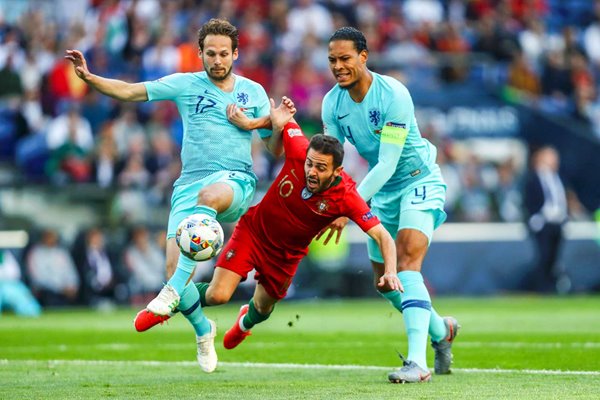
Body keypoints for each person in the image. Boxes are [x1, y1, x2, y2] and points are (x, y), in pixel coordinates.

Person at [66, 18, 293, 373]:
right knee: (175, 266)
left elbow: (275, 150)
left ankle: (169, 293)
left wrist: (277, 125)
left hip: (235, 182)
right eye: (210, 53)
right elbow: (130, 91)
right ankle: (203, 329)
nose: (217, 60)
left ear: (236, 54)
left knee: (208, 199)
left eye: (224, 54)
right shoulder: (186, 85)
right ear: (200, 54)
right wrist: (91, 78)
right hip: (188, 185)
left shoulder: (253, 92)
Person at [135, 97, 401, 368]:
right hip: (254, 232)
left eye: (321, 168)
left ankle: (244, 322)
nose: (311, 171)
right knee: (217, 295)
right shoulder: (299, 149)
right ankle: (174, 298)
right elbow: (281, 120)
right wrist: (258, 120)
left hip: (286, 255)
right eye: (310, 164)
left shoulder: (347, 196)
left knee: (262, 310)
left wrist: (390, 271)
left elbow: (383, 236)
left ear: (337, 171)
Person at [320, 27, 459, 383]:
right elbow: (331, 160)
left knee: (408, 259)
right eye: (333, 59)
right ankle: (441, 331)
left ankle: (417, 363)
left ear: (363, 57)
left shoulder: (393, 94)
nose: (338, 66)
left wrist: (347, 206)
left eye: (345, 58)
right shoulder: (331, 104)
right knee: (385, 282)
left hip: (417, 179)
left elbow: (388, 162)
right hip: (382, 194)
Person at [523, 146, 568, 293]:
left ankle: (550, 287)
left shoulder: (557, 178)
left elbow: (560, 198)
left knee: (554, 258)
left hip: (557, 223)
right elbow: (529, 201)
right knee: (543, 256)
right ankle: (541, 288)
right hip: (542, 223)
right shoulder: (533, 178)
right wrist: (536, 218)